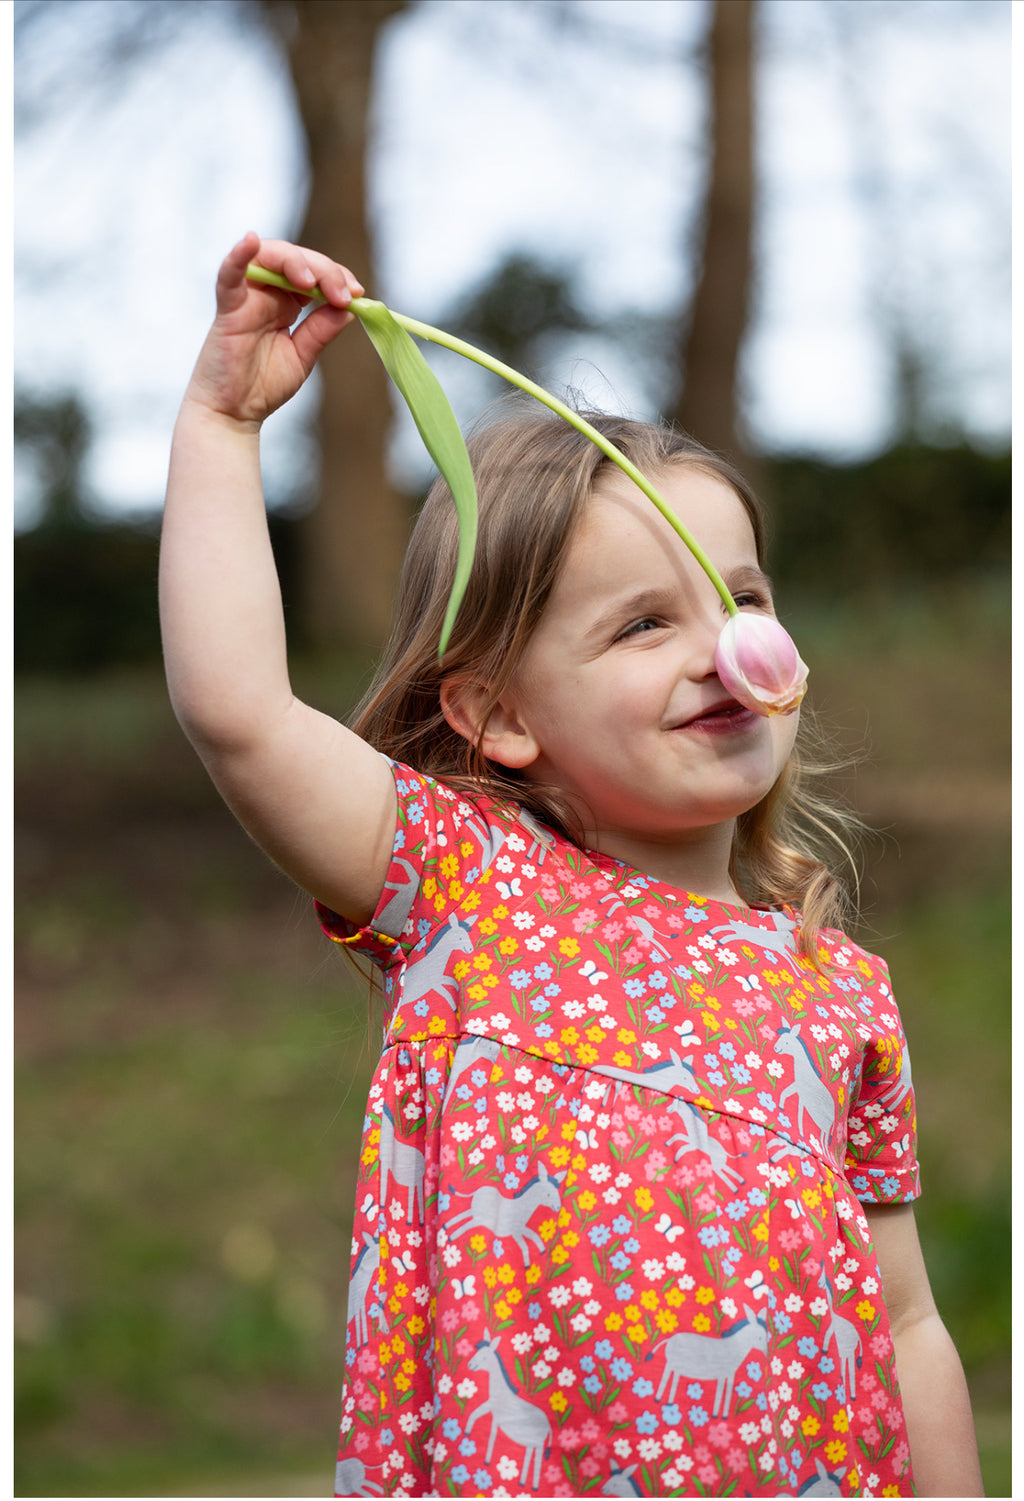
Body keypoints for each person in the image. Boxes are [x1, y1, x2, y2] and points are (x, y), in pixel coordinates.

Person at [160, 234, 983, 1499]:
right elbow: (242, 714)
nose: (725, 649)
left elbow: (909, 1320)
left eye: (741, 598)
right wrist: (223, 425)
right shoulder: (464, 889)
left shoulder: (840, 991)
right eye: (646, 623)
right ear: (496, 714)